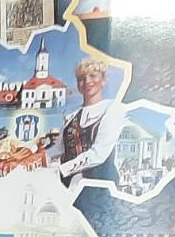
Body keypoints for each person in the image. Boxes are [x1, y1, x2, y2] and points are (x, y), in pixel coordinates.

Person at [50, 57, 126, 186]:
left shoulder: (113, 108)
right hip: (68, 185)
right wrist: (33, 156)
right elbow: (57, 149)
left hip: (99, 185)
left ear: (103, 80)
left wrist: (63, 169)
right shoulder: (71, 114)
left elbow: (98, 154)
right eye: (81, 78)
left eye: (93, 76)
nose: (87, 81)